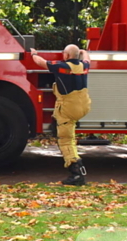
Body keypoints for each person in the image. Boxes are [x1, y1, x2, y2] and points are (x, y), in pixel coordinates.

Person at [30, 44, 92, 185]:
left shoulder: (61, 67)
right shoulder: (84, 66)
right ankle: (56, 125)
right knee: (66, 126)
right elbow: (88, 59)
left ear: (66, 56)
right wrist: (83, 51)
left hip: (69, 109)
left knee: (66, 140)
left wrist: (33, 53)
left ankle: (76, 173)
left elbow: (41, 62)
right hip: (83, 106)